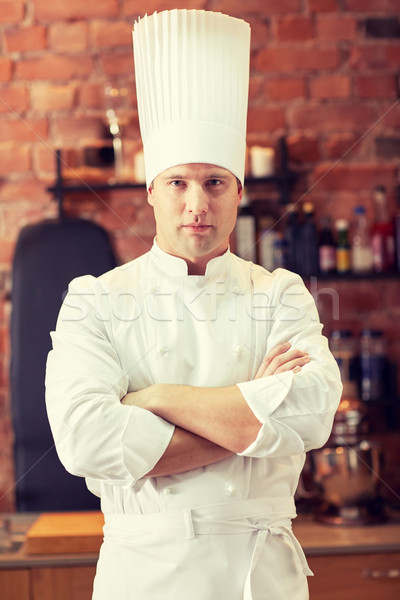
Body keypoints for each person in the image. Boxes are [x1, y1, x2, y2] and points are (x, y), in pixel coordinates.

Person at [45, 9, 342, 600]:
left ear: (239, 192)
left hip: (261, 578)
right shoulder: (97, 300)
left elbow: (310, 414)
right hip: (146, 578)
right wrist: (252, 418)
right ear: (152, 190)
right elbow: (85, 440)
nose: (196, 205)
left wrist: (156, 400)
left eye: (214, 183)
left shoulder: (279, 292)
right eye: (179, 182)